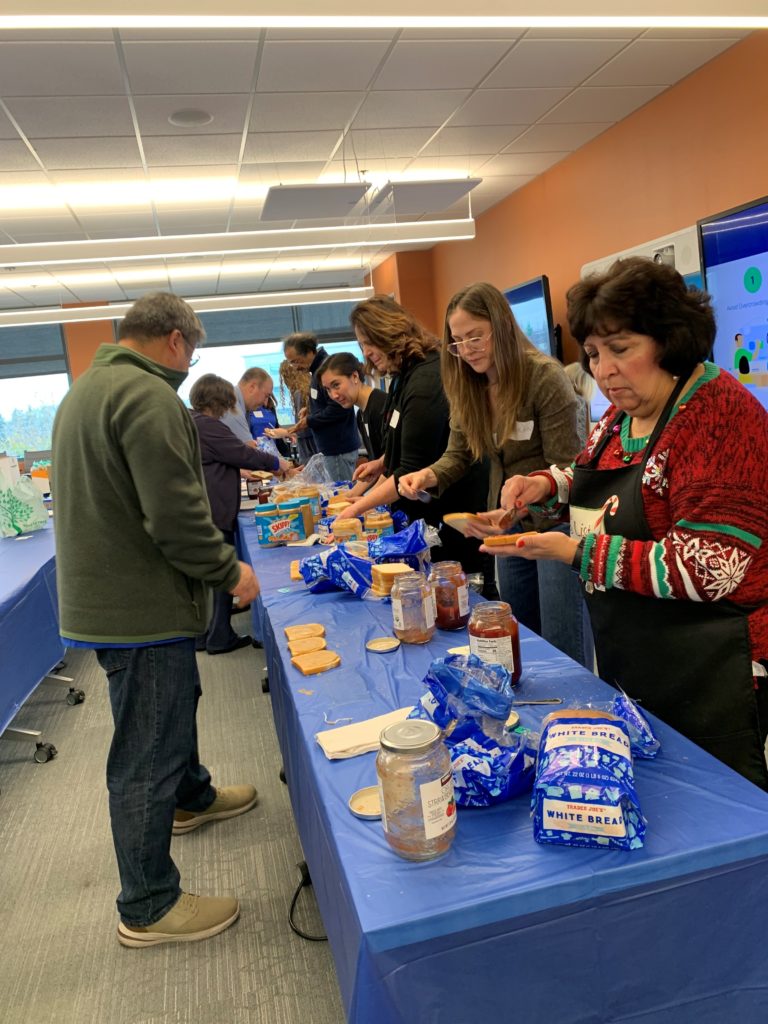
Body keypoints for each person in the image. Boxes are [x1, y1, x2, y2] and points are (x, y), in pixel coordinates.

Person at [490, 256, 768, 789]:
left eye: (621, 350)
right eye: (593, 354)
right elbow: (595, 470)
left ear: (668, 340)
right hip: (647, 655)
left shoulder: (716, 416)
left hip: (720, 671)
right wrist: (547, 486)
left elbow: (710, 568)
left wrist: (575, 552)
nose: (603, 370)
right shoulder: (623, 412)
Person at [51, 292, 260, 947]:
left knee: (175, 707)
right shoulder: (148, 398)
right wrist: (231, 571)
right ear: (175, 341)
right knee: (146, 750)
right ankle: (147, 904)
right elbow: (175, 515)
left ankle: (191, 795)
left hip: (111, 600)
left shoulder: (90, 388)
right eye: (191, 353)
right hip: (138, 605)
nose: (188, 365)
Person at [398, 282, 591, 666]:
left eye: (475, 338)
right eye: (457, 342)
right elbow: (457, 454)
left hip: (554, 527)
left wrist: (521, 504)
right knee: (515, 635)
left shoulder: (543, 378)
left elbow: (569, 467)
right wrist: (426, 476)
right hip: (505, 528)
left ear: (501, 328)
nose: (466, 351)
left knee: (560, 643)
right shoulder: (468, 385)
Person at [335, 295, 488, 571]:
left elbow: (411, 467)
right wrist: (382, 462)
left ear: (387, 331)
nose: (366, 352)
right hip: (424, 517)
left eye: (369, 342)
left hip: (450, 519)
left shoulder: (426, 379)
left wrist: (358, 508)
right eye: (362, 345)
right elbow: (403, 442)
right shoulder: (403, 378)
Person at [190, 373, 279, 654]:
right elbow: (243, 454)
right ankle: (219, 637)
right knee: (220, 574)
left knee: (206, 577)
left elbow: (220, 459)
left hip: (203, 508)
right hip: (215, 510)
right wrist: (278, 464)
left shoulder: (192, 423)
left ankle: (205, 634)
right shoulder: (209, 426)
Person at [282, 332, 360, 480]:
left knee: (343, 494)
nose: (295, 367)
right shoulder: (318, 370)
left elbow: (338, 407)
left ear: (310, 351)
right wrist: (310, 409)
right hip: (333, 447)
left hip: (338, 447)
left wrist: (309, 421)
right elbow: (325, 402)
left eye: (297, 361)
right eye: (291, 363)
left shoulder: (326, 370)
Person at [318, 352, 389, 496]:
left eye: (336, 385)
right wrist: (348, 497)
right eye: (328, 390)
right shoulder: (360, 415)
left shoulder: (381, 406)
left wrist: (364, 502)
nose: (333, 395)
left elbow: (392, 465)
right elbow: (375, 468)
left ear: (355, 377)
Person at [272, 357, 318, 465]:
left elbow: (303, 428)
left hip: (308, 446)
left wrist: (285, 432)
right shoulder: (311, 389)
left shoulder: (299, 394)